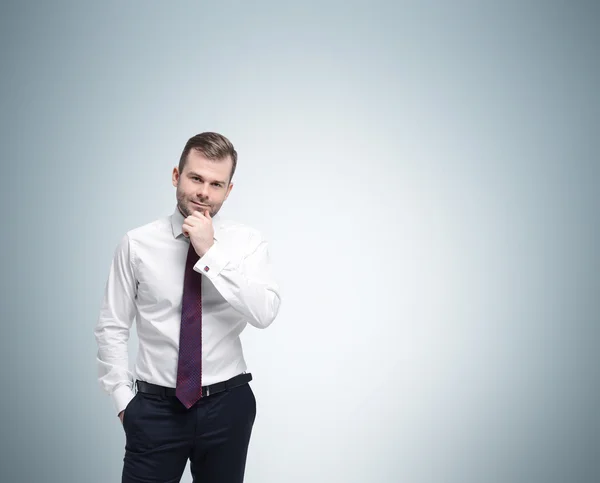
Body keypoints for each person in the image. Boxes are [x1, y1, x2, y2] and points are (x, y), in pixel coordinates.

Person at [94, 132, 281, 483]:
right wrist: (123, 401)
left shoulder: (246, 243)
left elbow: (264, 312)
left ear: (228, 190)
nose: (203, 193)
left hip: (228, 405)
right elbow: (112, 325)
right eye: (196, 178)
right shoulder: (136, 244)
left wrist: (211, 253)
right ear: (176, 175)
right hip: (155, 408)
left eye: (216, 184)